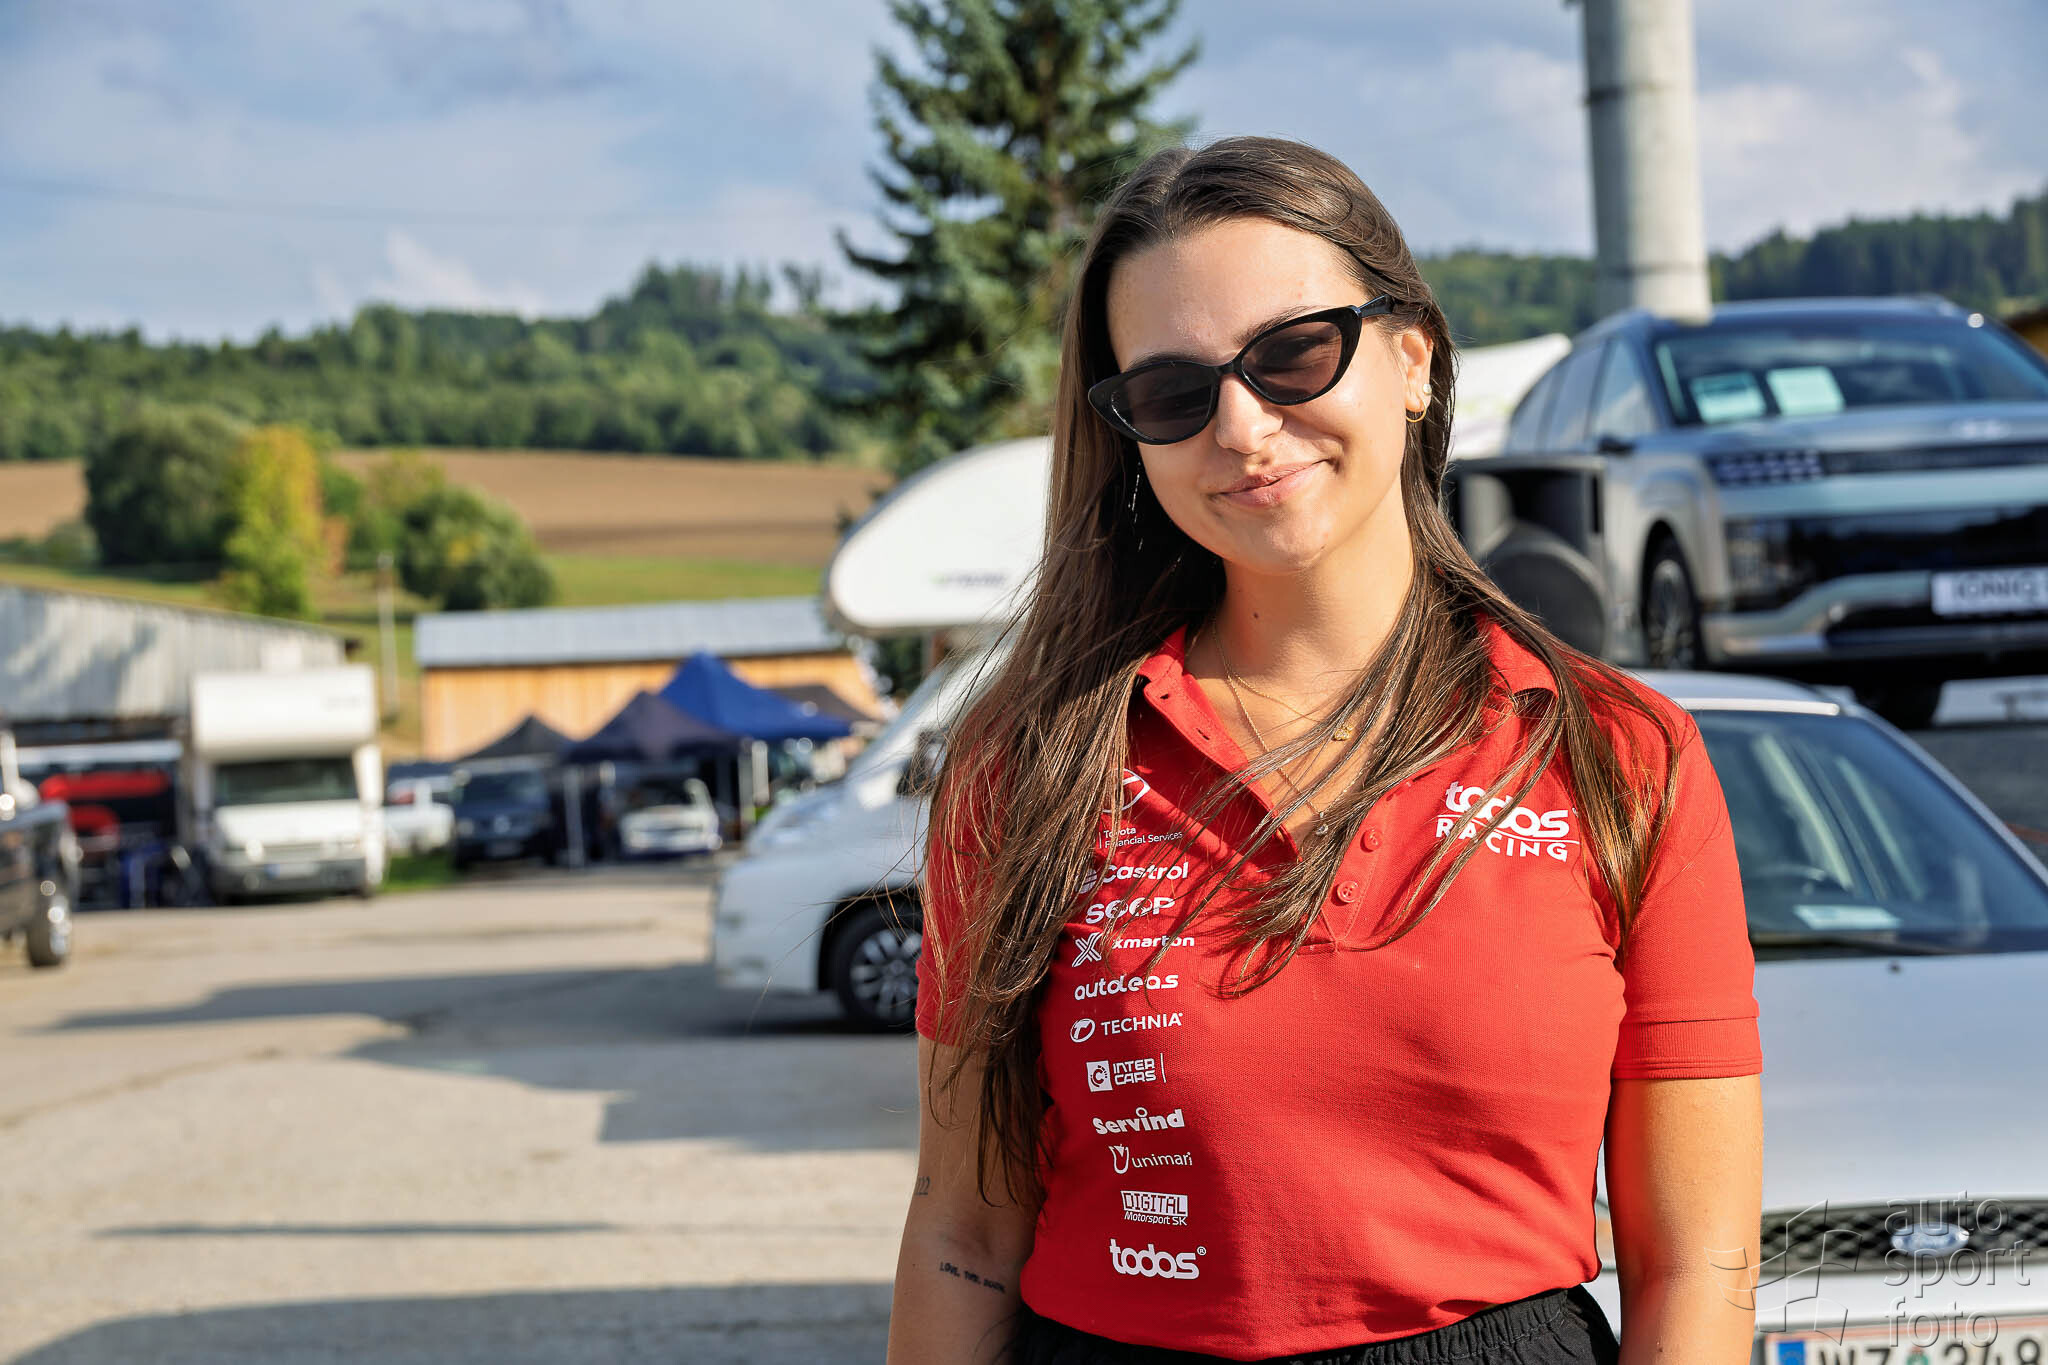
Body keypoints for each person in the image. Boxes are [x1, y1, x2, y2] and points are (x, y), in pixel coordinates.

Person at [888, 135, 1762, 1365]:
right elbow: (963, 1236)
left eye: (1292, 354)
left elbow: (1699, 1265)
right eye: (1171, 393)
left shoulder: (1618, 755)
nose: (1241, 427)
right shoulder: (1028, 766)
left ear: (1412, 359)